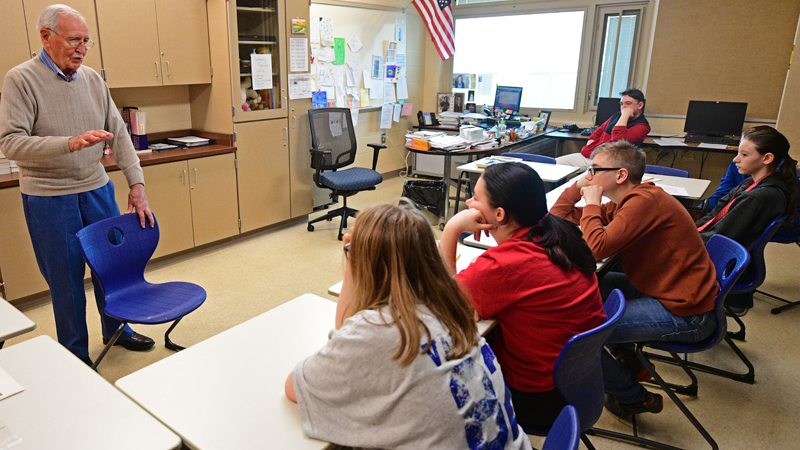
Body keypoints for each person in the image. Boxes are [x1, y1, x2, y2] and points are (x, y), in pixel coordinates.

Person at [286, 201, 531, 450]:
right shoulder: (451, 308)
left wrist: (351, 260)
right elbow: (348, 332)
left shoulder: (376, 330)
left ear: (364, 264)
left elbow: (296, 386)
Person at [0, 4, 156, 366]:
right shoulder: (20, 79)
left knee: (112, 267)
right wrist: (68, 142)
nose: (81, 48)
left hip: (96, 189)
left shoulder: (92, 79)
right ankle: (75, 353)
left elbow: (119, 133)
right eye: (73, 40)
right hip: (49, 197)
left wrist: (137, 184)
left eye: (86, 41)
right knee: (66, 280)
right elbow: (11, 142)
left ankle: (117, 330)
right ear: (45, 37)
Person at [551, 141, 719, 416]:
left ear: (620, 175)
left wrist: (592, 202)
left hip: (688, 313)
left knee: (575, 335)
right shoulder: (626, 202)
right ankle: (631, 360)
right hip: (665, 290)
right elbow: (560, 217)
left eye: (594, 170)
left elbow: (596, 248)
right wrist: (578, 186)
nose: (589, 176)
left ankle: (633, 397)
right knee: (596, 285)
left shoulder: (643, 202)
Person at [439, 163, 606, 428]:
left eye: (476, 198)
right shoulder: (558, 231)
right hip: (581, 386)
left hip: (537, 401)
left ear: (500, 214)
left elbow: (445, 305)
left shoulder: (504, 265)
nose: (469, 202)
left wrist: (451, 229)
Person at [696, 126, 798, 315]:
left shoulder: (760, 197)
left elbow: (719, 236)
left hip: (720, 258)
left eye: (744, 154)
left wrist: (677, 239)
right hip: (717, 247)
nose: (735, 159)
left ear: (767, 158)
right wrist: (686, 230)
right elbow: (715, 213)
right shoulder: (751, 183)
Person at [556, 89, 651, 171]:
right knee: (554, 164)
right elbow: (599, 131)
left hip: (612, 163)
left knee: (581, 178)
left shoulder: (642, 126)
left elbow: (619, 140)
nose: (623, 107)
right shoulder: (616, 116)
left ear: (640, 105)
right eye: (622, 104)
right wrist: (591, 145)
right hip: (594, 156)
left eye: (628, 104)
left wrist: (625, 115)